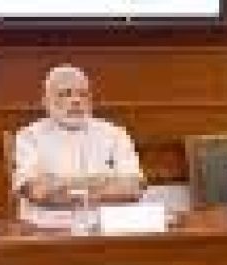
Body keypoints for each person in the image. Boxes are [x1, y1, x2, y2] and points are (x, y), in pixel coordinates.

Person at [13, 65, 144, 224]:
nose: (76, 101)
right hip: (47, 228)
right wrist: (102, 181)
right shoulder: (29, 136)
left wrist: (62, 183)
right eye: (65, 94)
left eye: (83, 94)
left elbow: (133, 188)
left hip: (106, 226)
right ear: (46, 101)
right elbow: (38, 192)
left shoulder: (115, 133)